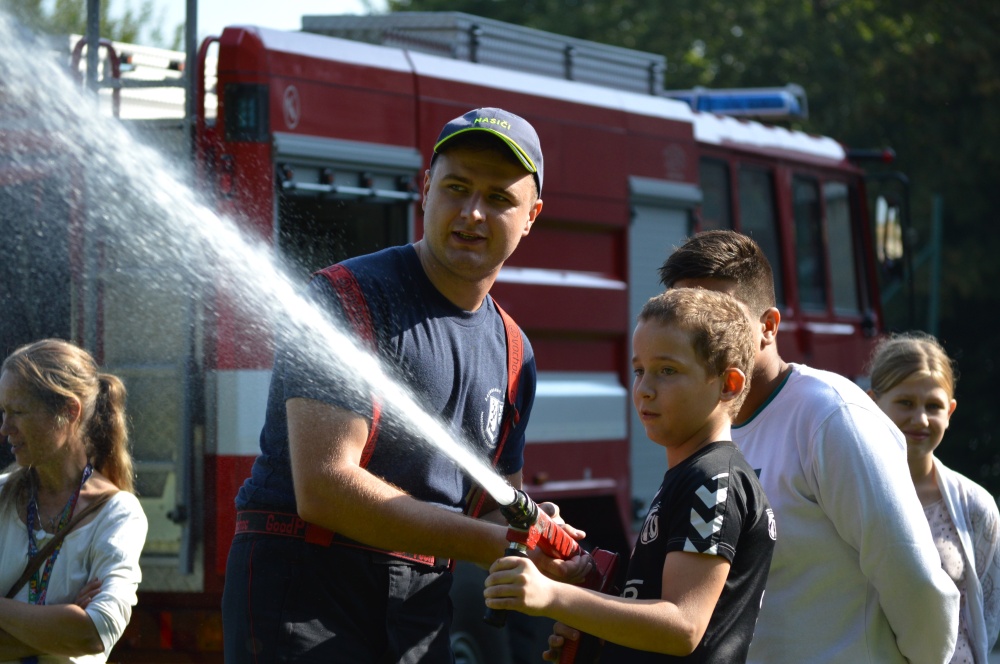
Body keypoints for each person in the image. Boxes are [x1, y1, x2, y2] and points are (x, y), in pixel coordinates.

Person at [221, 107, 587, 663]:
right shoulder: (346, 299)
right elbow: (324, 489)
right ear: (425, 189)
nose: (472, 213)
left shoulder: (515, 352)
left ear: (532, 215)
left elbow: (494, 505)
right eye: (456, 188)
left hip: (418, 602)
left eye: (499, 198)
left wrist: (535, 530)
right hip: (304, 590)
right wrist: (499, 540)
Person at [651, 230, 959, 663]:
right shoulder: (694, 424)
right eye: (685, 316)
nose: (700, 332)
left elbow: (913, 577)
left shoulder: (831, 416)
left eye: (720, 316)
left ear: (769, 326)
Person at [485, 287, 776, 662]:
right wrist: (589, 595)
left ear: (728, 384)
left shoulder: (713, 480)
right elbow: (650, 605)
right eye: (639, 370)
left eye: (667, 371)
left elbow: (682, 625)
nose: (644, 390)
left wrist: (553, 597)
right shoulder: (689, 475)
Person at [0, 338, 148, 663]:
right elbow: (78, 634)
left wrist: (74, 631)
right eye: (3, 412)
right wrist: (59, 625)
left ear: (68, 412)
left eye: (18, 412)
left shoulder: (118, 513)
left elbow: (94, 632)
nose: (4, 428)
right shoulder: (1, 495)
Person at [868, 331, 1000, 664]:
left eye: (934, 406)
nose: (921, 419)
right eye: (906, 403)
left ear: (951, 411)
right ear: (872, 402)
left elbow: (988, 611)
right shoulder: (844, 494)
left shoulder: (974, 507)